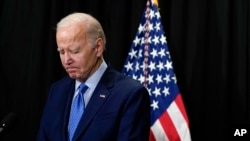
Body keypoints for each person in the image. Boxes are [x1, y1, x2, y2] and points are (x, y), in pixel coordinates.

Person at [37, 12, 150, 141]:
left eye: (74, 51)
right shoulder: (57, 91)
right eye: (62, 52)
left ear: (98, 47)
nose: (66, 60)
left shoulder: (130, 94)